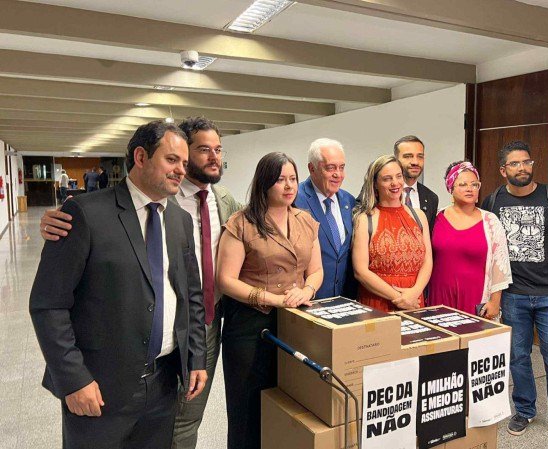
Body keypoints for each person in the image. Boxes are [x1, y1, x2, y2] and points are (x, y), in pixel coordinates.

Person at [38, 116, 242, 449]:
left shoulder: (178, 219)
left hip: (163, 383)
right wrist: (73, 379)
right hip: (100, 384)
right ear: (141, 157)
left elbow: (191, 295)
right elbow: (49, 304)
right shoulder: (86, 214)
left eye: (184, 163)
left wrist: (194, 359)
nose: (180, 170)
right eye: (172, 159)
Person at [216, 152, 323, 449]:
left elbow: (316, 270)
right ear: (264, 183)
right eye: (280, 180)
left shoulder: (305, 220)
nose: (289, 186)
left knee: (289, 405)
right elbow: (225, 280)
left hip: (294, 322)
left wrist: (307, 290)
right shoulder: (241, 223)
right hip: (250, 326)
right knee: (247, 409)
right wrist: (273, 299)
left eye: (293, 179)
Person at [482, 141, 548, 449]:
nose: (522, 168)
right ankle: (525, 411)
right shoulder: (493, 202)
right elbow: (488, 251)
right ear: (503, 170)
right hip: (513, 295)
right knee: (518, 357)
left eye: (527, 162)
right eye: (515, 163)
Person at [427, 161, 511, 318]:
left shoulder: (490, 221)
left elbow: (500, 265)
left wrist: (495, 302)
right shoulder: (436, 218)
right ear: (450, 188)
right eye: (463, 184)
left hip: (476, 298)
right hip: (439, 297)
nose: (469, 189)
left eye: (474, 184)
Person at [352, 155, 432, 312]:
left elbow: (427, 261)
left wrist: (415, 292)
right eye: (387, 179)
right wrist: (399, 298)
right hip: (379, 302)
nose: (395, 183)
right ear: (375, 184)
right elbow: (360, 271)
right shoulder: (365, 219)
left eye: (398, 176)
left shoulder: (419, 216)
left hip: (414, 300)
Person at [295, 138, 357, 299]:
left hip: (344, 299)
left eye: (341, 167)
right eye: (330, 168)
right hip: (306, 298)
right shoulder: (295, 200)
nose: (338, 174)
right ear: (312, 168)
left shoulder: (349, 201)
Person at [394, 135, 439, 233]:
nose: (415, 162)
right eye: (408, 156)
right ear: (395, 160)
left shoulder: (431, 198)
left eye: (420, 156)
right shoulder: (379, 191)